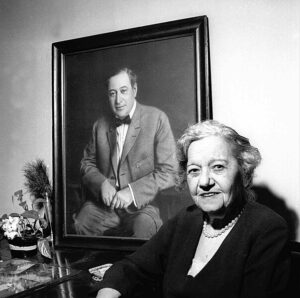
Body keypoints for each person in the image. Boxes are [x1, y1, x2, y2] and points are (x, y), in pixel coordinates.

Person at [96, 120, 291, 298]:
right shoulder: (187, 219)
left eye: (218, 167)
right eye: (194, 171)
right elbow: (132, 267)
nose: (204, 182)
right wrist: (108, 293)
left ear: (244, 173)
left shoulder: (267, 229)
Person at [73, 67, 177, 238]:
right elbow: (86, 163)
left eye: (123, 91)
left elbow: (170, 171)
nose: (118, 100)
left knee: (144, 228)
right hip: (104, 207)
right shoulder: (99, 125)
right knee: (80, 223)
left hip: (143, 206)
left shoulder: (157, 118)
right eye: (112, 93)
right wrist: (102, 184)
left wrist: (132, 192)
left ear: (134, 90)